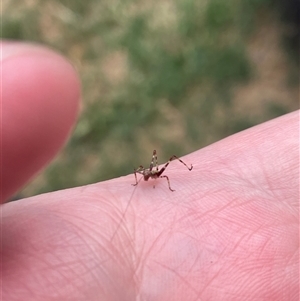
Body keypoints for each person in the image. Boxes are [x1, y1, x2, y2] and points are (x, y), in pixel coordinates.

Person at [1, 42, 298, 301]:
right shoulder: (142, 174)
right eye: (143, 176)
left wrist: (159, 180)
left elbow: (156, 174)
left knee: (168, 162)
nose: (144, 177)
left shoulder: (158, 175)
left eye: (145, 176)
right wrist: (138, 179)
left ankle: (182, 166)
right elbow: (139, 171)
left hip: (163, 173)